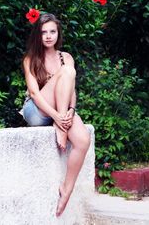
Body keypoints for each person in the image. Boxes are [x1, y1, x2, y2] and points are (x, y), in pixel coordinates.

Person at [22, 13, 90, 217]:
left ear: (58, 33)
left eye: (52, 31)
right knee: (67, 72)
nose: (49, 36)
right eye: (44, 32)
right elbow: (34, 93)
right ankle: (61, 128)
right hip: (37, 111)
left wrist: (70, 111)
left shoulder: (66, 57)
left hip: (60, 112)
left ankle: (67, 188)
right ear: (38, 35)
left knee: (83, 140)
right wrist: (59, 119)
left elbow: (72, 92)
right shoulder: (30, 59)